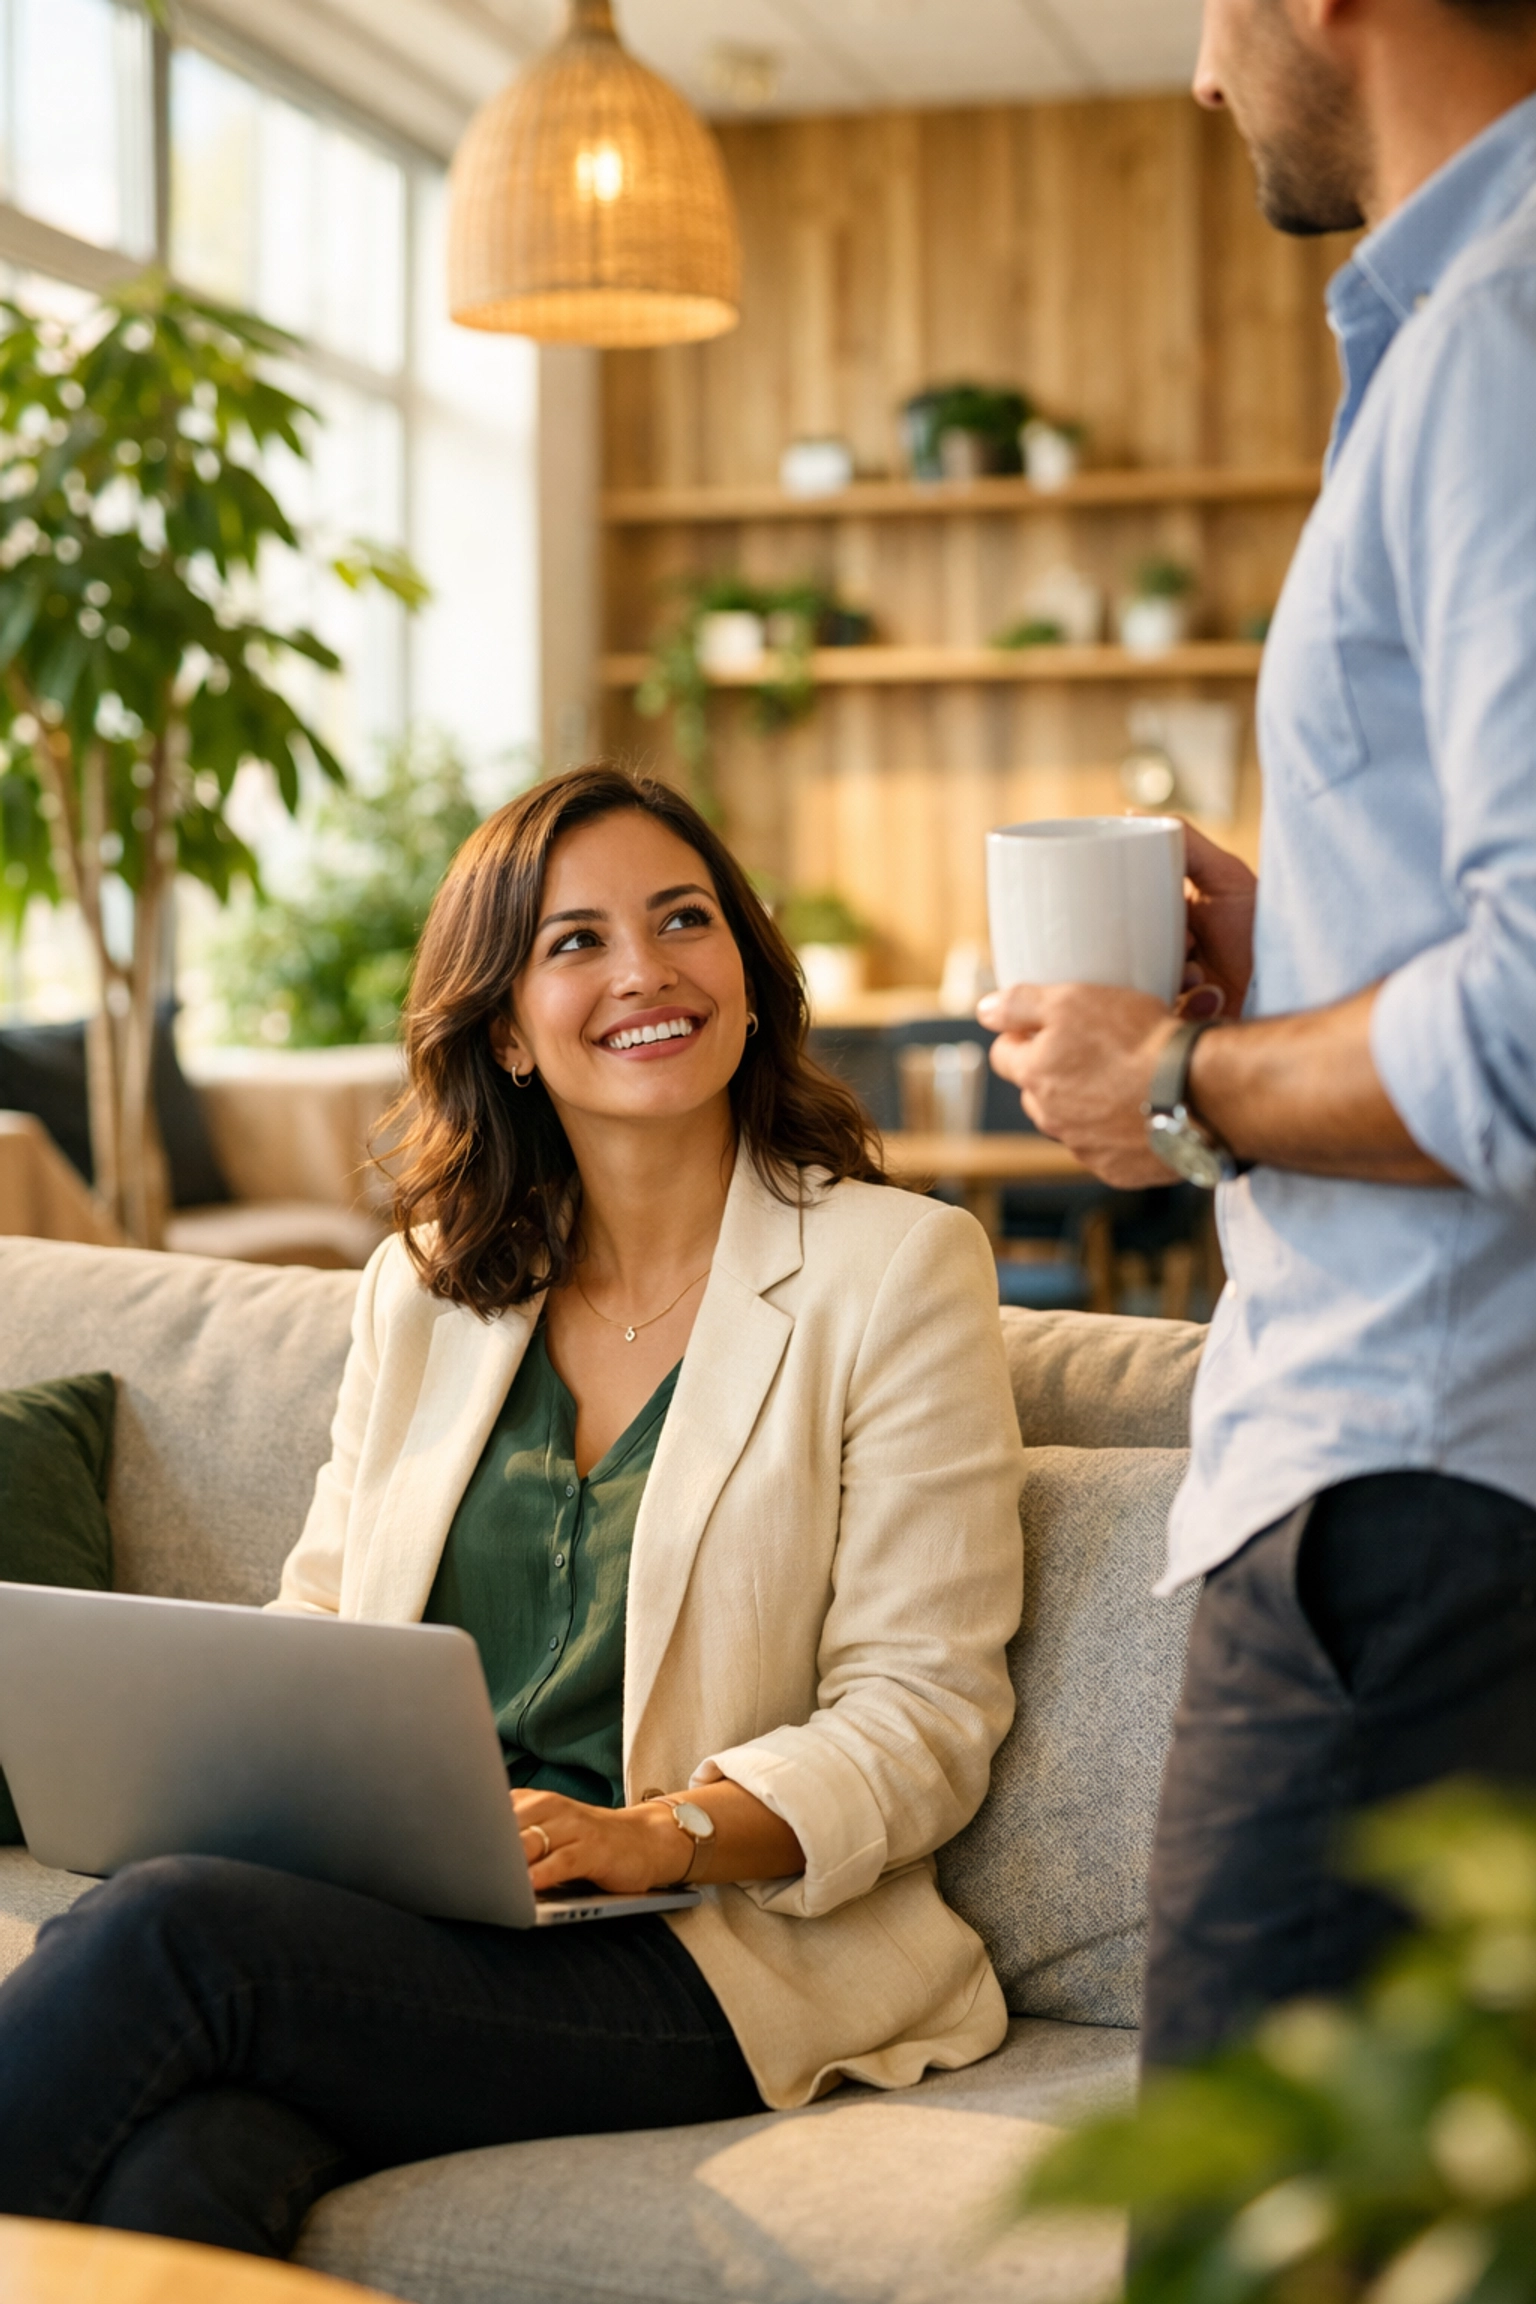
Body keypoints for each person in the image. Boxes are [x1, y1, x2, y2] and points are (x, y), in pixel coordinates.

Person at [0, 767, 1024, 2254]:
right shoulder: (426, 1286)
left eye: (685, 920)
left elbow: (923, 1716)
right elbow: (325, 1617)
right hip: (428, 1913)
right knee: (188, 2166)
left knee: (172, 1931)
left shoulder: (898, 1271)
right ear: (504, 1030)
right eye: (576, 942)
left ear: (747, 975)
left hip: (703, 1948)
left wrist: (660, 1833)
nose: (645, 971)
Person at [981, 0, 1536, 2067]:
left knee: (1261, 2223)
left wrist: (1177, 1080)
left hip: (1415, 1500)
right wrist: (1289, 943)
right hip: (1444, 1486)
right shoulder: (1458, 330)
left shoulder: (1496, 333)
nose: (1203, 76)